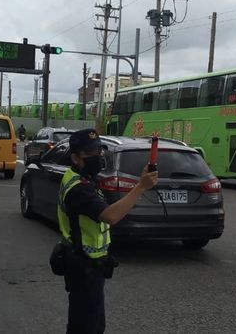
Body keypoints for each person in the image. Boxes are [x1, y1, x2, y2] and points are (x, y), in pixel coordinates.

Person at [58, 128, 157, 334]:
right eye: (90, 153)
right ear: (75, 158)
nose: (98, 156)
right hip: (83, 266)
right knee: (85, 327)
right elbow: (110, 216)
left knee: (92, 325)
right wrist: (140, 187)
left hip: (90, 266)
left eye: (99, 151)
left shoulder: (83, 178)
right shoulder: (78, 188)